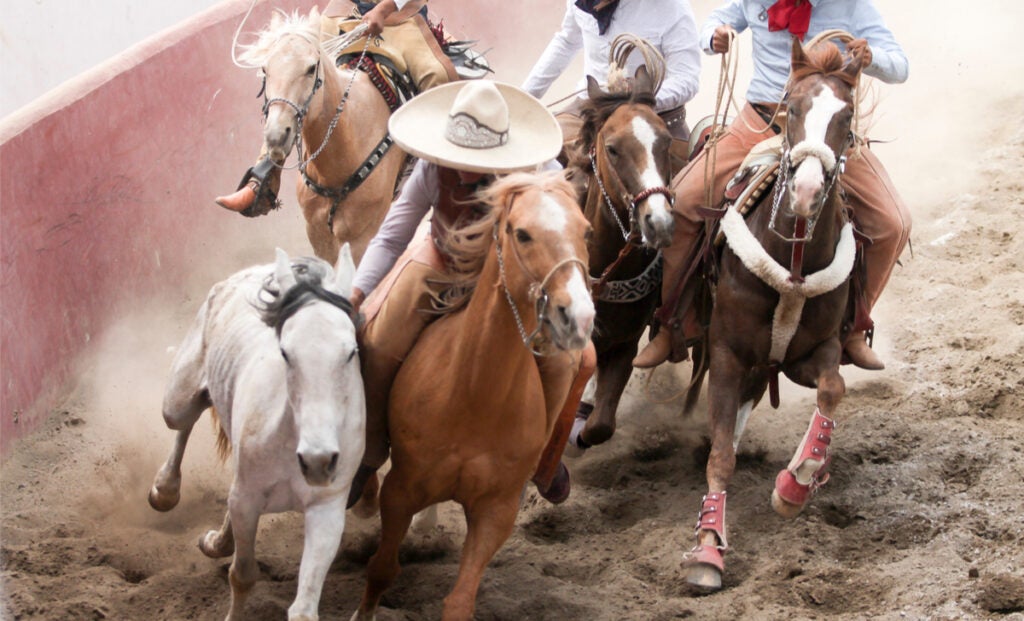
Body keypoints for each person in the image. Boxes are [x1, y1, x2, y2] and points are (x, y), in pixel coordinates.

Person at [346, 79, 597, 507]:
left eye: (472, 158)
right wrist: (356, 293)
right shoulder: (431, 170)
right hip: (442, 264)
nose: (458, 165)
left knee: (577, 360)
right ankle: (369, 454)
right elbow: (392, 237)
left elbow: (566, 235)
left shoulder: (540, 176)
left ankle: (540, 459)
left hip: (517, 282)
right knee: (378, 342)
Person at [632, 0, 911, 371]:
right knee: (680, 204)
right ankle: (673, 324)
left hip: (825, 128)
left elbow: (900, 66)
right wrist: (712, 36)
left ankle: (854, 329)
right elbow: (716, 20)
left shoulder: (852, 4)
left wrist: (871, 56)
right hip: (761, 120)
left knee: (893, 223)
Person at [215, 0, 458, 215]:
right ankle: (264, 176)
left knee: (439, 78)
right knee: (292, 66)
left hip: (399, 16)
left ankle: (443, 175)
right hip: (343, 11)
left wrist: (383, 9)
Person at [521, 0, 701, 163]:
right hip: (588, 109)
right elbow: (567, 42)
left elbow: (686, 77)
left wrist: (638, 100)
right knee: (542, 156)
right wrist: (523, 97)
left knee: (682, 193)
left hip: (656, 117)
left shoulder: (671, 6)